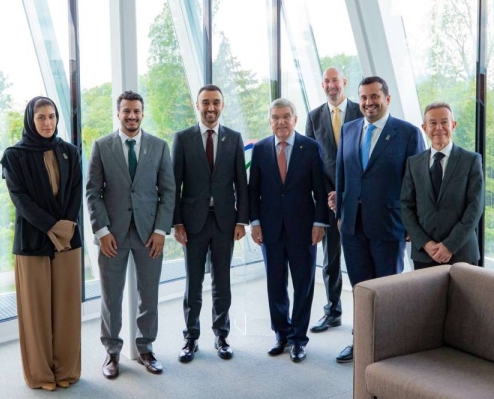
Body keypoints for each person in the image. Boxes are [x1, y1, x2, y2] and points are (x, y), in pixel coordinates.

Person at [334, 76, 425, 363]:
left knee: (387, 289)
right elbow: (342, 175)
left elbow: (416, 182)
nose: (368, 102)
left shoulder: (408, 133)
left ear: (387, 99)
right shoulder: (349, 129)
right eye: (363, 97)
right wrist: (340, 216)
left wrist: (413, 224)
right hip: (352, 225)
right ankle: (359, 342)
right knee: (360, 288)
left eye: (374, 96)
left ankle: (388, 348)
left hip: (389, 224)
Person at [86, 90, 175, 378]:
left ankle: (146, 349)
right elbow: (93, 192)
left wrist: (161, 230)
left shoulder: (160, 147)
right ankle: (112, 353)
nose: (132, 116)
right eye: (126, 111)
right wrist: (102, 231)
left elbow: (169, 192)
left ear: (143, 113)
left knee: (148, 294)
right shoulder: (101, 146)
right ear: (118, 113)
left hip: (150, 235)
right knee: (111, 297)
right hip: (113, 235)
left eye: (136, 111)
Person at [1, 96, 82, 391]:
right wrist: (52, 227)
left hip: (68, 240)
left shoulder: (70, 152)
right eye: (41, 118)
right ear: (30, 121)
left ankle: (67, 370)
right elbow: (20, 200)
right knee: (35, 313)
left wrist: (64, 228)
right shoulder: (14, 156)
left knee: (67, 310)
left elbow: (75, 193)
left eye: (51, 116)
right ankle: (41, 375)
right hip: (32, 241)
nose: (48, 123)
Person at [172, 84, 248, 363]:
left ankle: (221, 336)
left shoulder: (234, 138)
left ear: (223, 105)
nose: (211, 107)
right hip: (192, 223)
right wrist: (177, 223)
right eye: (205, 102)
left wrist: (242, 220)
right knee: (193, 283)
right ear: (197, 105)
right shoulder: (182, 139)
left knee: (222, 281)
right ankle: (190, 337)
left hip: (225, 221)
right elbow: (174, 184)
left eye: (216, 102)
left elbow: (242, 182)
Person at [249, 98, 328, 363]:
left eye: (286, 116)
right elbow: (253, 191)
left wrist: (320, 223)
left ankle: (298, 340)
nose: (281, 122)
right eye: (275, 117)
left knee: (303, 285)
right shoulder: (260, 150)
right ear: (270, 120)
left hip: (304, 229)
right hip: (270, 229)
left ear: (295, 119)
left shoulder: (311, 147)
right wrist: (255, 223)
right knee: (275, 284)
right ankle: (281, 334)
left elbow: (320, 189)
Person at [305, 66, 363, 333]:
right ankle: (333, 311)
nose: (331, 85)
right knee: (330, 261)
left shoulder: (361, 111)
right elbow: (309, 162)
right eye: (327, 81)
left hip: (357, 200)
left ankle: (364, 317)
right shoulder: (314, 117)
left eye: (335, 80)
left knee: (359, 260)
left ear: (345, 82)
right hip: (326, 200)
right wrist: (324, 196)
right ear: (322, 85)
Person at [401, 102, 484, 268]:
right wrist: (425, 243)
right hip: (424, 254)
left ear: (453, 125)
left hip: (462, 254)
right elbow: (406, 206)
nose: (439, 127)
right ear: (424, 128)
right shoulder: (413, 163)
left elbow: (475, 208)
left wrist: (449, 245)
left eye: (444, 122)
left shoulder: (471, 160)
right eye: (433, 123)